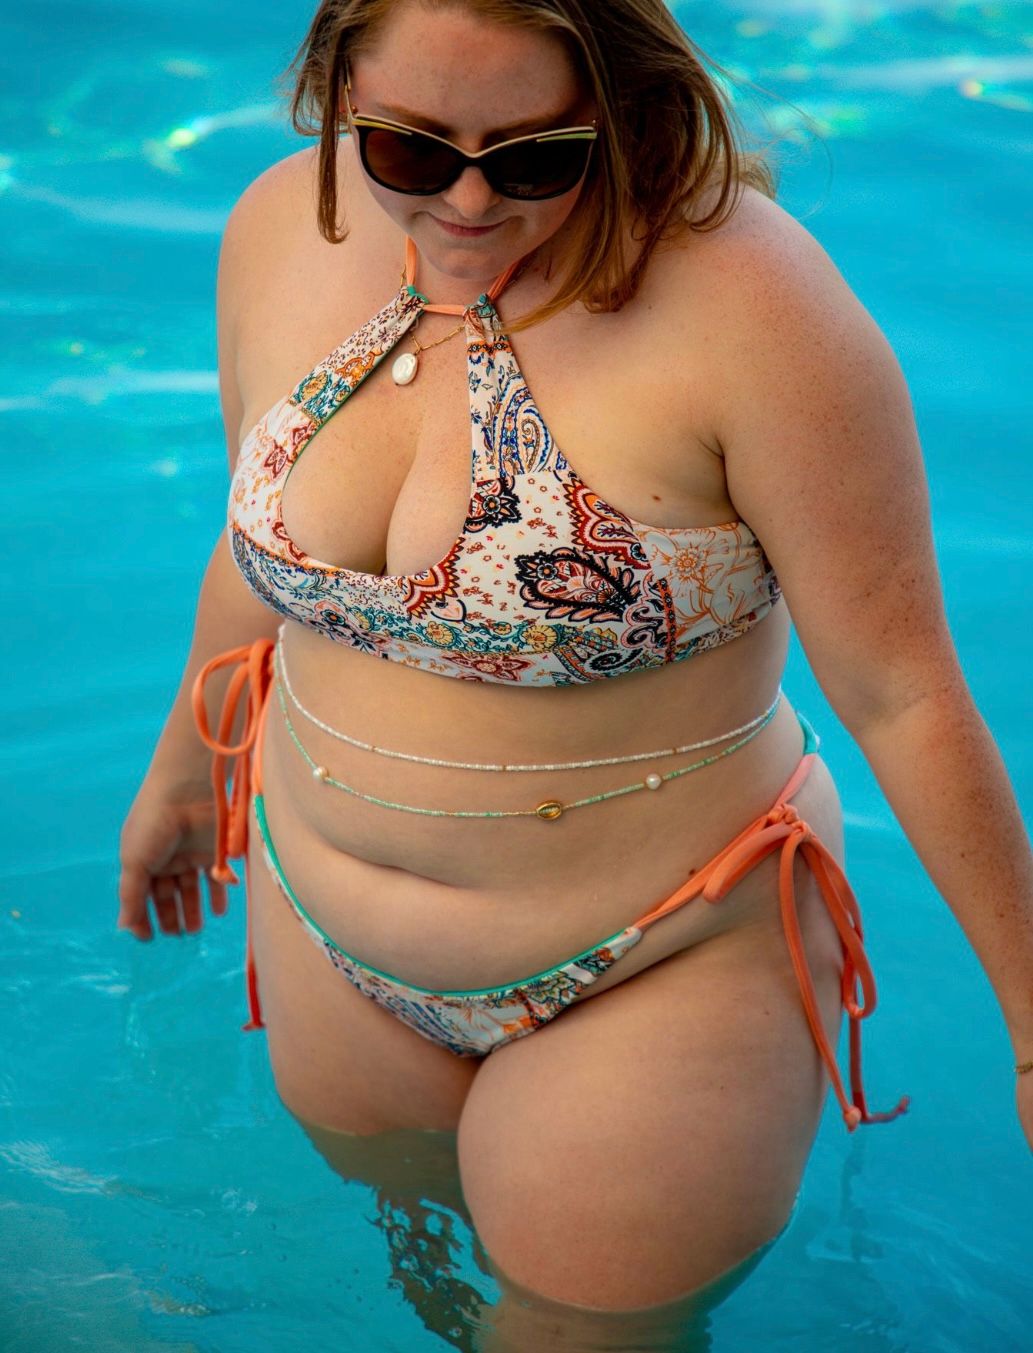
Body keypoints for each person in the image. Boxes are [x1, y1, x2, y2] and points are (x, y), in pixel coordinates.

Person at [117, 0, 1033, 1338]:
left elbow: (899, 687)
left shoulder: (752, 313)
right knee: (427, 1280)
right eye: (413, 153)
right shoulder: (281, 227)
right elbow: (264, 538)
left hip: (655, 964)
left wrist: (1027, 1020)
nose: (471, 201)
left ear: (628, 115)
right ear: (338, 97)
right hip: (323, 930)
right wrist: (186, 777)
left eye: (534, 157)